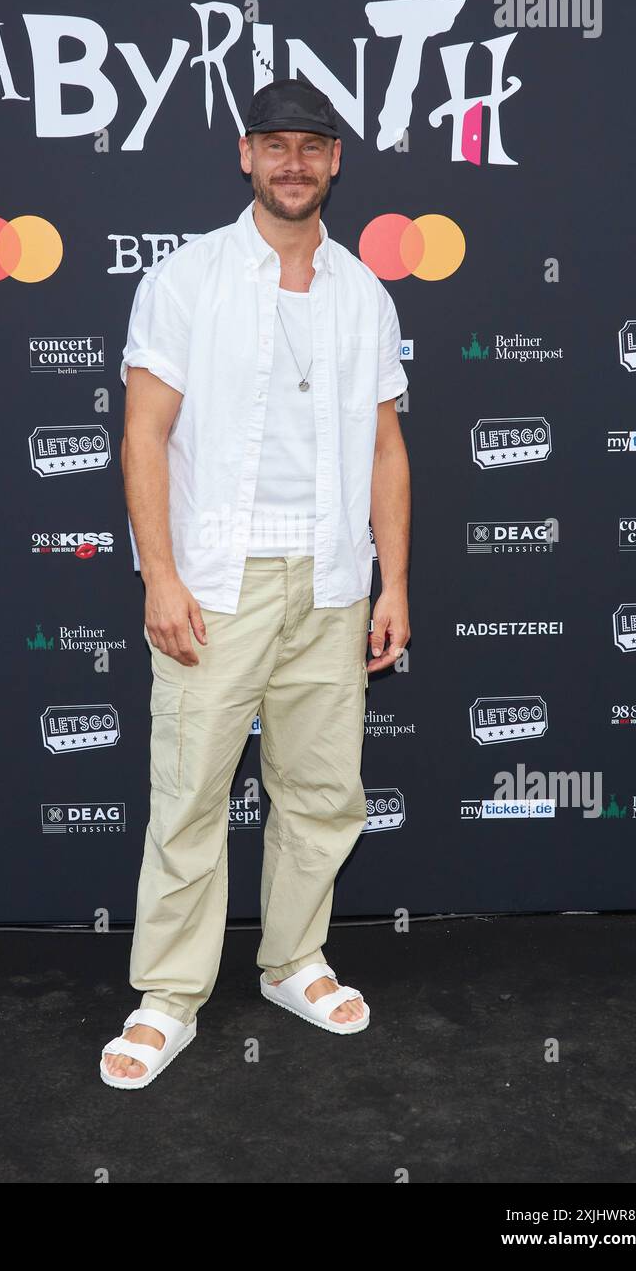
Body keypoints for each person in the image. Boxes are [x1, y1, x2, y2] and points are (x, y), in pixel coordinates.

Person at [100, 76, 411, 1089]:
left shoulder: (363, 292)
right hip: (215, 582)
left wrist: (390, 583)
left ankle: (292, 961)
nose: (293, 163)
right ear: (245, 154)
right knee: (189, 792)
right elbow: (143, 434)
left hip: (330, 581)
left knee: (320, 791)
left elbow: (384, 448)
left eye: (311, 147)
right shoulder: (186, 280)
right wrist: (160, 577)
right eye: (275, 145)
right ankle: (168, 996)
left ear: (334, 162)